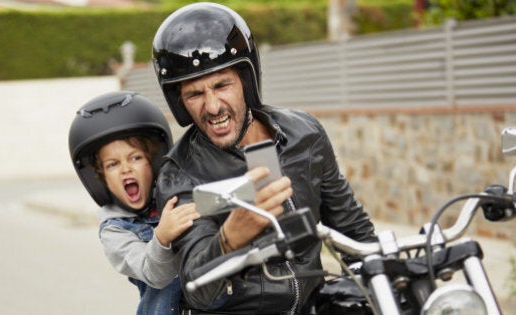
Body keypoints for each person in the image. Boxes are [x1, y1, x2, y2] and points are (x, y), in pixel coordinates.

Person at [152, 2, 376, 314]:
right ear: (180, 103)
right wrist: (229, 239)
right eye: (195, 94)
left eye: (221, 85)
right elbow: (198, 288)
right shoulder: (180, 174)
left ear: (245, 80)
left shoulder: (304, 133)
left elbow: (351, 227)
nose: (213, 106)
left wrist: (383, 275)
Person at [68, 91, 200, 315]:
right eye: (112, 164)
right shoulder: (115, 231)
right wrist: (162, 237)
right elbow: (153, 274)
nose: (126, 169)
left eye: (135, 158)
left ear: (154, 163)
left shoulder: (180, 193)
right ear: (100, 179)